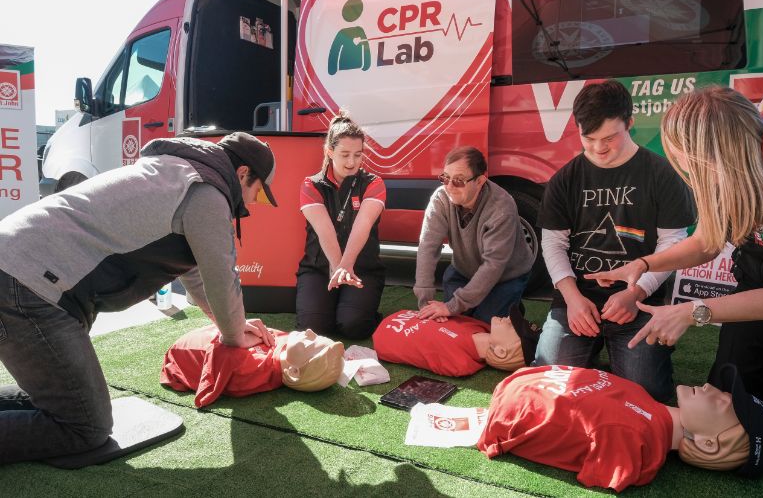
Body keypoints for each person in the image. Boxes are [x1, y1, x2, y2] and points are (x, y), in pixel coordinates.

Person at [0, 131, 278, 463]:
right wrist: (236, 338)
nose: (251, 207)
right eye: (258, 195)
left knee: (66, 400)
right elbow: (221, 276)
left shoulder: (174, 173)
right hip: (26, 286)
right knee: (86, 426)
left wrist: (233, 326)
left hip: (18, 272)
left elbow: (197, 276)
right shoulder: (206, 192)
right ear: (243, 174)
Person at [587, 86, 763, 457]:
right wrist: (644, 263)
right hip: (759, 283)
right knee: (728, 396)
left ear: (716, 153)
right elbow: (707, 241)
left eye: (686, 159)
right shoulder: (720, 169)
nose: (683, 166)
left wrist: (690, 312)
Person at [534, 80, 696, 402]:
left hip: (638, 302)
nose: (598, 148)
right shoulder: (565, 179)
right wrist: (572, 297)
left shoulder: (661, 173)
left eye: (609, 138)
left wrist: (635, 291)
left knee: (647, 395)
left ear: (630, 123)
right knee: (547, 384)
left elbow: (673, 243)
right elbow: (553, 244)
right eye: (588, 138)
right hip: (576, 302)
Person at [478, 363, 763, 492]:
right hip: (521, 383)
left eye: (721, 403)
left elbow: (604, 473)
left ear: (708, 443)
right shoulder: (644, 401)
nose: (708, 387)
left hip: (510, 405)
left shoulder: (637, 444)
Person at [415, 146, 534, 324]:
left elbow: (493, 266)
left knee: (481, 324)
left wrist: (451, 307)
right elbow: (428, 246)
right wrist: (425, 301)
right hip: (463, 270)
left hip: (505, 276)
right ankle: (499, 306)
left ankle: (512, 307)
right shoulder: (440, 198)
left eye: (459, 181)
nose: (449, 187)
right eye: (445, 178)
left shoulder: (501, 207)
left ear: (479, 181)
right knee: (455, 322)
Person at [296, 111, 386, 339]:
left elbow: (363, 224)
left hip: (362, 268)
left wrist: (346, 266)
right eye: (345, 154)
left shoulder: (374, 183)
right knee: (315, 328)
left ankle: (363, 310)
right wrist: (337, 268)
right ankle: (332, 302)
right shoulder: (311, 184)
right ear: (329, 152)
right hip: (319, 267)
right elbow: (324, 229)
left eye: (358, 155)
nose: (351, 162)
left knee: (353, 326)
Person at [161, 325, 345, 407]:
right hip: (206, 336)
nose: (309, 332)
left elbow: (219, 357)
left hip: (185, 354)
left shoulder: (251, 369)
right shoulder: (285, 348)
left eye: (309, 343)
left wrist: (239, 336)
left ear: (294, 372)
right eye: (317, 336)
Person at [373, 303, 541, 376]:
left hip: (385, 337)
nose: (509, 319)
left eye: (513, 327)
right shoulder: (482, 327)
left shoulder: (460, 364)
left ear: (501, 351)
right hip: (397, 322)